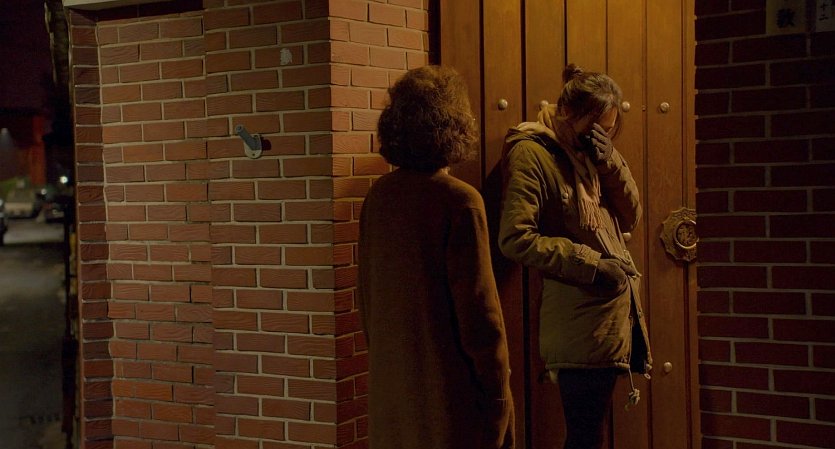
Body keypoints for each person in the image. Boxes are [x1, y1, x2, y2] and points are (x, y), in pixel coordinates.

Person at [357, 65, 514, 449]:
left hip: (394, 401)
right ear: (454, 125)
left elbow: (366, 300)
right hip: (451, 405)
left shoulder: (379, 196)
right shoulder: (459, 201)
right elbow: (480, 319)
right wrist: (499, 402)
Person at [498, 63, 652, 449]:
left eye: (609, 130)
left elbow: (631, 216)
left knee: (589, 435)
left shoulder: (590, 158)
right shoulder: (533, 153)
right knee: (585, 437)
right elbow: (515, 238)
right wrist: (592, 264)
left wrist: (610, 161)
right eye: (595, 127)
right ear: (567, 112)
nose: (601, 135)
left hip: (608, 317)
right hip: (577, 319)